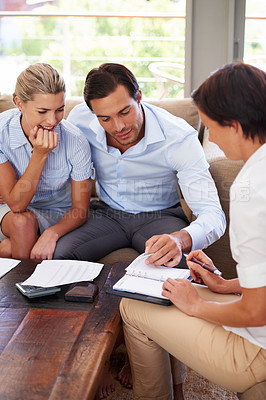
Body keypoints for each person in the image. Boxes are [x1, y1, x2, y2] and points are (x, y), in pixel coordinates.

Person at [53, 63, 226, 398]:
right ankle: (91, 358)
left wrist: (180, 238)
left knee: (173, 269)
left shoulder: (178, 137)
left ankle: (155, 361)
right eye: (105, 118)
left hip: (159, 218)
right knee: (60, 258)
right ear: (92, 113)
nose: (118, 127)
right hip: (106, 215)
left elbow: (213, 215)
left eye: (125, 112)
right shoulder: (78, 122)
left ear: (140, 98)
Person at [120, 62, 266, 400]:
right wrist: (225, 284)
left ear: (235, 124)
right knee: (179, 291)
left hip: (256, 353)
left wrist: (196, 306)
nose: (211, 137)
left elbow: (256, 311)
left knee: (133, 307)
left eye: (213, 127)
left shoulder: (250, 190)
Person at [0, 63, 93, 260]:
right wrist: (40, 154)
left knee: (10, 247)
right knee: (21, 222)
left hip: (55, 211)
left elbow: (80, 209)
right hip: (9, 210)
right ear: (19, 103)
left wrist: (52, 233)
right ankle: (30, 286)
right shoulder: (2, 133)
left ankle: (13, 268)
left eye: (60, 109)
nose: (52, 121)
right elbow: (17, 205)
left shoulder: (75, 141)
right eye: (42, 112)